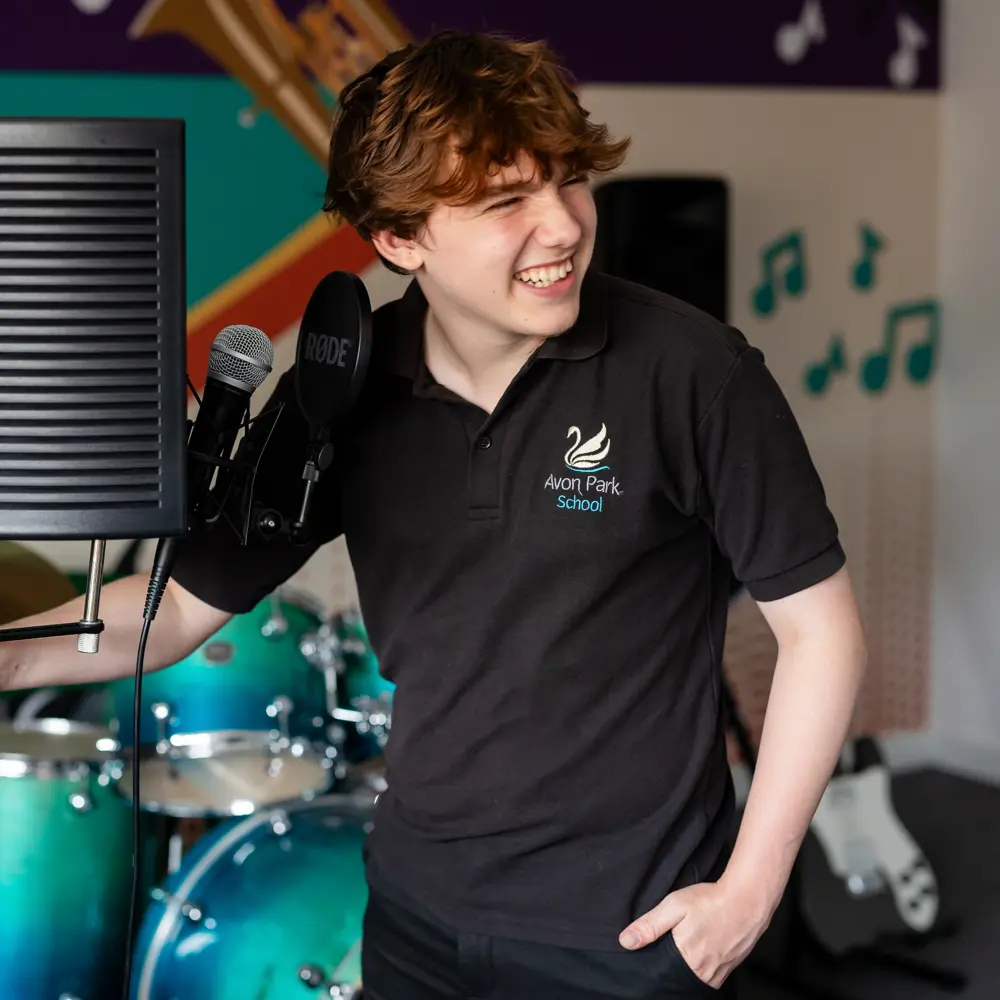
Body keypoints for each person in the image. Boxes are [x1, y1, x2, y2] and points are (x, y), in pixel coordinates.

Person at [0, 29, 867, 1000]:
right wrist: (12, 653)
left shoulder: (696, 374)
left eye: (568, 179)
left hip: (629, 932)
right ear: (399, 238)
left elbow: (820, 633)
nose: (564, 225)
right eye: (506, 202)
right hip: (416, 914)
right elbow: (171, 612)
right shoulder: (335, 392)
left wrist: (746, 893)